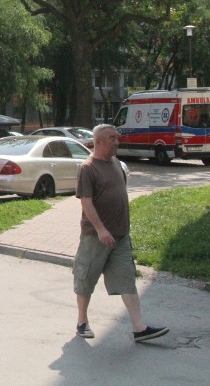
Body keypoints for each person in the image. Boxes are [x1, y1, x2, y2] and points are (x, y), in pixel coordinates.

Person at [73, 124, 169, 343]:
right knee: (86, 278)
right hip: (95, 236)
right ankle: (82, 321)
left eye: (117, 137)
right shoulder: (88, 168)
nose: (117, 142)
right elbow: (86, 201)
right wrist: (100, 229)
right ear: (98, 142)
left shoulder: (116, 163)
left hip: (120, 235)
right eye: (111, 138)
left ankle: (139, 328)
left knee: (126, 278)